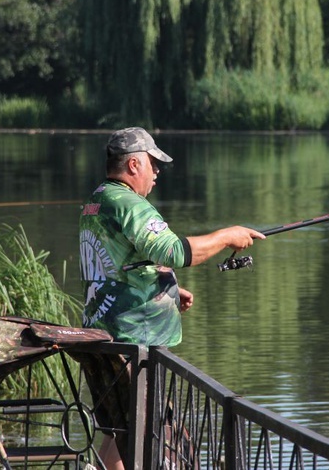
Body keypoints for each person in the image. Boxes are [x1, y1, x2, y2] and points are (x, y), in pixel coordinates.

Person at [78, 127, 265, 469]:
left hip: (103, 334)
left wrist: (163, 288)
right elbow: (177, 251)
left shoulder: (98, 200)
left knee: (119, 430)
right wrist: (228, 235)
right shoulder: (132, 206)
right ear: (134, 165)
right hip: (131, 342)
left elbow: (111, 265)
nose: (157, 171)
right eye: (153, 163)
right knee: (138, 430)